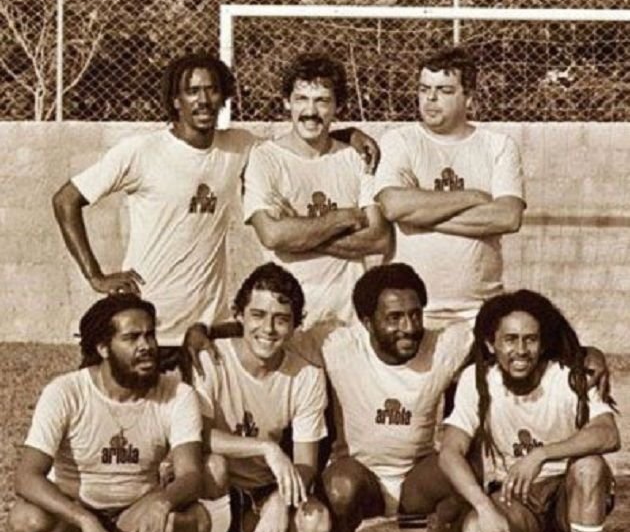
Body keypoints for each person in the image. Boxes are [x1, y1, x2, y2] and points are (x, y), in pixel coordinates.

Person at [53, 52, 380, 368]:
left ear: (223, 97)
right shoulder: (141, 151)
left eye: (212, 90)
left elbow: (299, 137)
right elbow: (66, 200)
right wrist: (95, 275)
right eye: (192, 91)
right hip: (147, 321)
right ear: (175, 100)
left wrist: (348, 134)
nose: (203, 100)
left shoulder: (238, 146)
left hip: (204, 328)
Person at [5, 295, 210, 532]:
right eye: (131, 338)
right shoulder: (66, 392)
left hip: (134, 521)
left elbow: (191, 475)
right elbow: (26, 477)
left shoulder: (177, 394)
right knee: (23, 523)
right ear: (103, 348)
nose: (146, 346)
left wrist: (162, 501)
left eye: (150, 335)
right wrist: (84, 519)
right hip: (74, 527)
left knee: (196, 522)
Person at [292, 263, 490, 532]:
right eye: (394, 318)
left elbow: (508, 324)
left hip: (417, 480)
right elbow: (266, 335)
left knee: (461, 464)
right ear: (367, 322)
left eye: (415, 315)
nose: (409, 327)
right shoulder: (337, 344)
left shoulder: (444, 344)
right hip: (362, 479)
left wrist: (582, 356)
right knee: (340, 486)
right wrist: (205, 332)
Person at [438, 289, 620, 532]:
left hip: (570, 493)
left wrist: (542, 454)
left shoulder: (567, 375)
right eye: (510, 339)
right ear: (490, 344)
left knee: (589, 465)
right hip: (519, 499)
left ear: (542, 342)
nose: (521, 350)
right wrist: (484, 507)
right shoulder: (478, 381)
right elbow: (449, 453)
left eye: (530, 339)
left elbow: (609, 434)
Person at [191, 263, 332, 532]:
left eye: (281, 319)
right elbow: (197, 436)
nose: (268, 329)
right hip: (212, 490)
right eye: (258, 315)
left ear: (295, 325)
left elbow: (306, 463)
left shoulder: (307, 374)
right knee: (212, 465)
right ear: (238, 315)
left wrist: (279, 501)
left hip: (259, 492)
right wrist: (266, 448)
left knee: (315, 524)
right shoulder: (210, 358)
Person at [374, 45, 526, 336]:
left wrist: (418, 214)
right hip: (412, 312)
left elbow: (507, 217)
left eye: (444, 90)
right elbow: (393, 206)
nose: (430, 98)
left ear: (469, 98)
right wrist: (472, 197)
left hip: (480, 310)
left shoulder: (498, 146)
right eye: (424, 89)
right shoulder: (399, 141)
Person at [242, 52, 392, 327]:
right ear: (286, 102)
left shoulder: (356, 157)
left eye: (322, 100)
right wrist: (344, 218)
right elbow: (273, 236)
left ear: (338, 106)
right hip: (288, 322)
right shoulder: (265, 159)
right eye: (301, 99)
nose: (310, 111)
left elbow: (379, 240)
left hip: (348, 321)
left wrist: (299, 231)